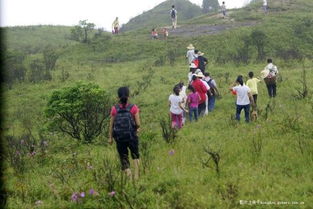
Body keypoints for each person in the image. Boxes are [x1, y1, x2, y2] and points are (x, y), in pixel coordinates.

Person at [109, 87, 140, 180]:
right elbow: (138, 124)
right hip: (132, 136)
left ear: (117, 97)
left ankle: (129, 178)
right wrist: (136, 128)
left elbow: (111, 125)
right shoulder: (133, 107)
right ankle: (136, 177)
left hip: (119, 138)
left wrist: (110, 138)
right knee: (135, 155)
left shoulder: (114, 109)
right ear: (128, 96)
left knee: (123, 157)